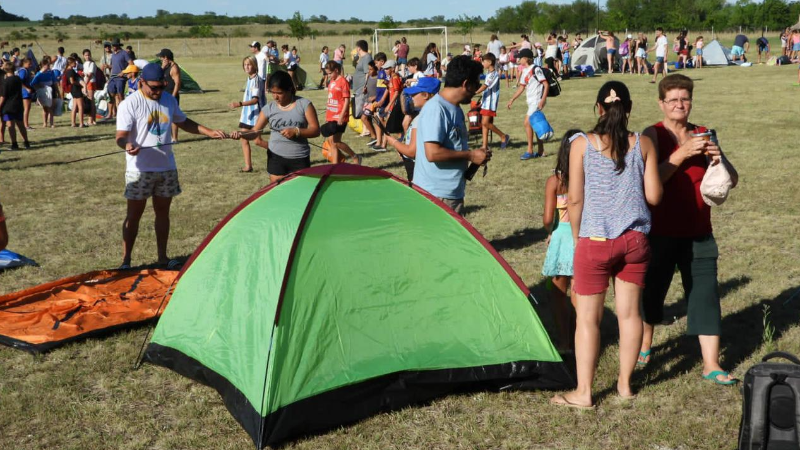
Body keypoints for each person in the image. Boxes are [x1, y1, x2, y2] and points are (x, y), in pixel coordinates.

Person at [550, 81, 662, 409]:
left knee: (588, 319)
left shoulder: (580, 144)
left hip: (594, 241)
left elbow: (574, 197)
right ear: (628, 109)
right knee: (629, 315)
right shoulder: (643, 144)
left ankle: (584, 392)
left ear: (598, 108)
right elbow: (654, 196)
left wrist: (576, 239)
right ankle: (625, 386)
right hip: (635, 241)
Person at [639, 74, 739, 385]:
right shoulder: (651, 135)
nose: (680, 104)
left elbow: (731, 179)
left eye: (685, 98)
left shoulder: (704, 133)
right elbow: (648, 181)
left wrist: (718, 158)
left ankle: (711, 363)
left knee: (705, 294)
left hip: (699, 230)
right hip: (660, 231)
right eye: (673, 100)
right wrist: (680, 155)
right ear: (661, 103)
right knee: (652, 293)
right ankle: (645, 345)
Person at [116, 63, 226, 270]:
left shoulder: (168, 99)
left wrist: (209, 131)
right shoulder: (129, 104)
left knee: (163, 213)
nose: (157, 92)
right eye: (153, 88)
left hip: (166, 168)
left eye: (161, 87)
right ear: (141, 83)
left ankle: (162, 258)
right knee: (133, 216)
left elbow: (184, 122)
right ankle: (126, 261)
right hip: (139, 170)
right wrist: (128, 145)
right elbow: (120, 137)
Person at [413, 55, 490, 215]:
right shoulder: (436, 109)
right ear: (466, 84)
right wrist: (470, 155)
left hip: (450, 192)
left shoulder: (455, 109)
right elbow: (432, 153)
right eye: (476, 84)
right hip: (436, 194)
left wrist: (476, 158)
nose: (477, 90)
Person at [231, 70, 320, 183]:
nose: (275, 97)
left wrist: (297, 131)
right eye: (272, 92)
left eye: (279, 93)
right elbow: (255, 131)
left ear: (289, 89)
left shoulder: (304, 105)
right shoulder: (269, 108)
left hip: (299, 158)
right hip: (276, 158)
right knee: (278, 193)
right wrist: (241, 134)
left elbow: (316, 130)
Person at [542, 129, 582, 352]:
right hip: (581, 235)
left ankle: (564, 341)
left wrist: (551, 230)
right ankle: (580, 337)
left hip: (561, 236)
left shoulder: (555, 181)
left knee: (558, 292)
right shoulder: (587, 177)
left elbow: (548, 218)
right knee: (579, 291)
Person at [384, 77, 440, 181]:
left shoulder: (422, 118)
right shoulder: (431, 114)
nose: (411, 96)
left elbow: (411, 152)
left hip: (417, 167)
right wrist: (402, 148)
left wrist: (393, 142)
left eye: (414, 93)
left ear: (426, 95)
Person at [507, 48, 549, 160]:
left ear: (526, 58)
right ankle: (541, 151)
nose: (518, 59)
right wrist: (512, 99)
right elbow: (521, 88)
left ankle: (530, 150)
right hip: (531, 101)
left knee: (527, 122)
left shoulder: (536, 69)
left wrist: (542, 100)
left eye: (520, 57)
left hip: (536, 101)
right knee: (535, 124)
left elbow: (546, 84)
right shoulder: (525, 71)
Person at [228, 55, 265, 173]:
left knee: (258, 141)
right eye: (245, 65)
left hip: (256, 116)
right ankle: (248, 166)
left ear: (254, 65)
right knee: (243, 139)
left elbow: (255, 100)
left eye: (249, 64)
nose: (246, 67)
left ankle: (279, 151)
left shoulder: (257, 80)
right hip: (247, 116)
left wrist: (239, 103)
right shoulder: (249, 79)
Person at [321, 61, 361, 165]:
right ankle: (335, 165)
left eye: (330, 73)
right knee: (331, 142)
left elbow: (346, 101)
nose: (328, 76)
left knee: (336, 142)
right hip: (331, 116)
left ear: (336, 70)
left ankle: (355, 156)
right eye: (327, 74)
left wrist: (341, 116)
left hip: (340, 116)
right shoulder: (332, 82)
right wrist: (328, 115)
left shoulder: (343, 82)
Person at [474, 53, 509, 150]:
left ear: (489, 62)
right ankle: (484, 146)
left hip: (490, 103)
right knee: (484, 123)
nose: (482, 63)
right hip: (486, 102)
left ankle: (503, 136)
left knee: (485, 123)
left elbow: (485, 86)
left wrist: (474, 92)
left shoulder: (494, 74)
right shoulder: (488, 73)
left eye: (484, 61)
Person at [0, 61, 30, 149]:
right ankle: (26, 142)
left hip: (8, 106)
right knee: (21, 125)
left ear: (6, 69)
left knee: (10, 125)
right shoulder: (17, 79)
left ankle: (14, 144)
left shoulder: (6, 82)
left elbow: (3, 96)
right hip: (18, 104)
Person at [158, 49, 181, 142]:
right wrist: (162, 68)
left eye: (161, 57)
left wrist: (173, 96)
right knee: (163, 116)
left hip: (171, 95)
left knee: (173, 117)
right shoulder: (164, 66)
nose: (160, 59)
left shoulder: (174, 68)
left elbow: (178, 83)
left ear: (166, 58)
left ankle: (174, 138)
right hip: (163, 95)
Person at [31, 56, 59, 128]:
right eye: (46, 65)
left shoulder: (51, 72)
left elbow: (55, 82)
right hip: (42, 91)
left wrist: (57, 91)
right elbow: (33, 83)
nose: (47, 67)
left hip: (50, 90)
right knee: (44, 108)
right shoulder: (39, 74)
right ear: (42, 66)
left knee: (50, 107)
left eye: (48, 65)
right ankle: (45, 123)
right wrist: (39, 86)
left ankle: (52, 123)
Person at [107, 38, 132, 119]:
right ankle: (110, 114)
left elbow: (131, 63)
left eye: (114, 45)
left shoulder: (124, 53)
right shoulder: (113, 54)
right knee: (110, 94)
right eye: (112, 45)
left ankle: (122, 113)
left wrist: (124, 72)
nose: (113, 47)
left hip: (121, 77)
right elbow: (115, 65)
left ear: (118, 45)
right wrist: (108, 66)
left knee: (120, 95)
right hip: (113, 76)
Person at [352, 40, 373, 123]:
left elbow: (368, 73)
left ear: (359, 48)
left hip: (362, 88)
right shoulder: (362, 58)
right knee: (360, 109)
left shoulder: (367, 58)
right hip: (358, 88)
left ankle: (367, 130)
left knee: (362, 110)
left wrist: (365, 86)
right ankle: (364, 129)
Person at [64, 57, 86, 127]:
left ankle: (73, 123)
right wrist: (80, 84)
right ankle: (81, 123)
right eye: (74, 62)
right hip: (76, 89)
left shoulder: (67, 71)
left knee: (74, 106)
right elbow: (72, 81)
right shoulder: (70, 71)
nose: (76, 63)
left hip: (73, 90)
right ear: (70, 63)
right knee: (80, 106)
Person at [16, 57, 33, 129]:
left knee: (28, 108)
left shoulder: (26, 70)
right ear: (24, 63)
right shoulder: (23, 71)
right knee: (26, 108)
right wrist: (26, 88)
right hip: (25, 92)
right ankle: (25, 125)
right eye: (29, 64)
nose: (30, 65)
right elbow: (20, 81)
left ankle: (26, 124)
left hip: (27, 91)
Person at [82, 49, 98, 125]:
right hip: (87, 82)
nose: (87, 56)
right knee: (90, 101)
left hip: (90, 82)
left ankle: (91, 120)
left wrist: (84, 84)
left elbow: (90, 74)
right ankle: (93, 119)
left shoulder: (91, 64)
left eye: (88, 55)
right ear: (83, 56)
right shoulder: (85, 63)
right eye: (86, 55)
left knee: (90, 101)